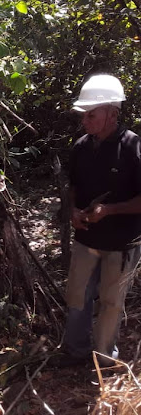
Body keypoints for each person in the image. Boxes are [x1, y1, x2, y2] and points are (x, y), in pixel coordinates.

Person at [61, 73, 141, 367]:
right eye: (84, 115)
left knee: (110, 303)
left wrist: (110, 210)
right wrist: (74, 212)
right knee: (77, 297)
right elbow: (74, 188)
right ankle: (75, 351)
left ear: (112, 113)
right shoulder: (82, 146)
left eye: (91, 114)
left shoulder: (133, 148)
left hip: (121, 244)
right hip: (86, 239)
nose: (85, 120)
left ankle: (105, 360)